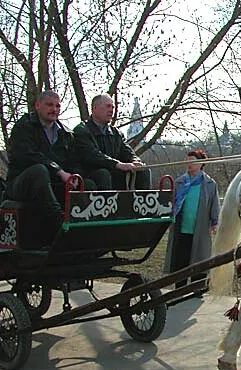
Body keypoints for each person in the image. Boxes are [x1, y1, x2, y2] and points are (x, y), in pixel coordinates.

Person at [6, 90, 109, 233]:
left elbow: (73, 161)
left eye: (57, 106)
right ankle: (59, 223)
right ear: (37, 106)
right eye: (49, 105)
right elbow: (28, 156)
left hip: (54, 184)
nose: (54, 110)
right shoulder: (24, 127)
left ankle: (91, 225)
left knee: (88, 183)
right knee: (39, 170)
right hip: (22, 182)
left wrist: (75, 177)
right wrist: (59, 172)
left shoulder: (65, 134)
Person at [163, 150, 220, 291]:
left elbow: (214, 204)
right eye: (187, 160)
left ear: (201, 164)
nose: (189, 164)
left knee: (199, 258)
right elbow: (172, 202)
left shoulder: (209, 184)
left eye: (192, 161)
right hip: (181, 227)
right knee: (181, 258)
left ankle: (197, 288)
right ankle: (180, 287)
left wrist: (215, 222)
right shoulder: (180, 182)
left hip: (200, 228)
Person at [74, 94, 151, 190]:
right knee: (103, 174)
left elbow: (127, 151)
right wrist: (117, 164)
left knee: (143, 170)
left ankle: (141, 203)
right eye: (108, 106)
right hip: (90, 174)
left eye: (113, 107)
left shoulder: (116, 133)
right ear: (95, 108)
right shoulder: (82, 130)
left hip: (114, 173)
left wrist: (135, 161)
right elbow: (93, 156)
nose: (111, 110)